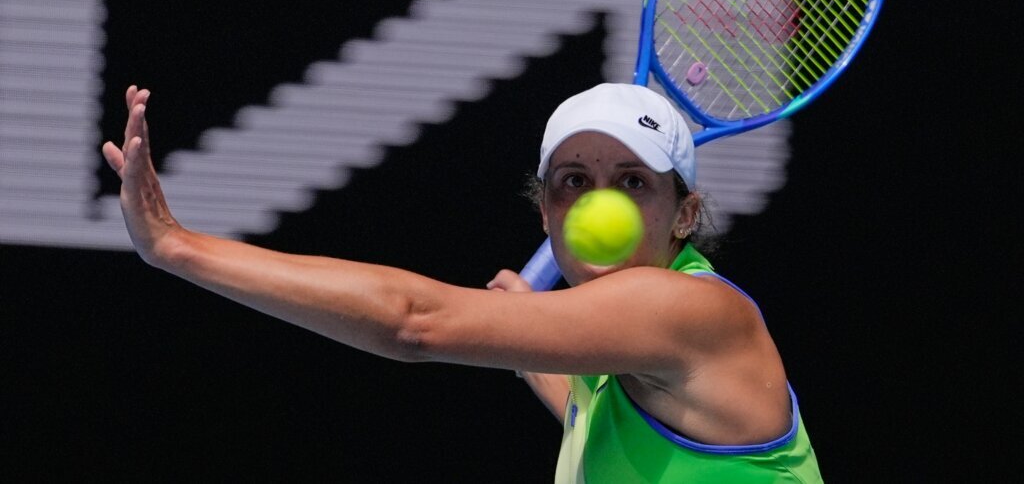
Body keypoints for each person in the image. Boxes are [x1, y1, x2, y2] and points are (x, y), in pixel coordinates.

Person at [103, 82, 823, 482]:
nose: (601, 203)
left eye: (632, 181)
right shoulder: (622, 361)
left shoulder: (687, 309)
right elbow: (594, 411)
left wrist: (177, 245)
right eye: (575, 180)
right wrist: (523, 337)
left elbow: (414, 322)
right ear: (546, 210)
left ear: (684, 214)